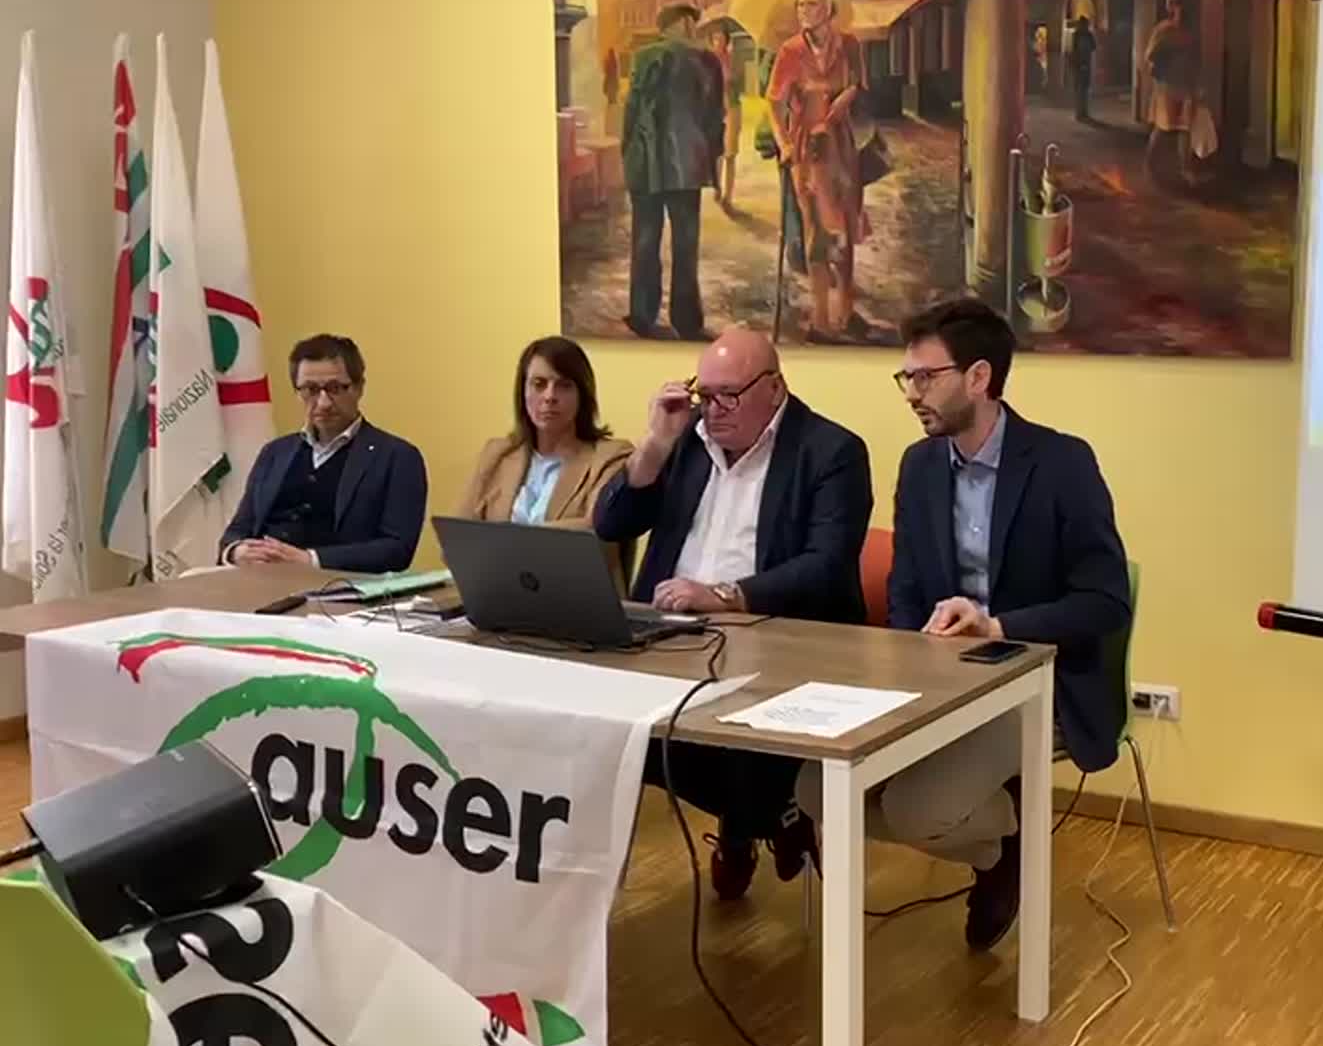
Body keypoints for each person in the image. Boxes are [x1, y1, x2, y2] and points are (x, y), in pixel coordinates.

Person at [797, 299, 1130, 950]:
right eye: (907, 377)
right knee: (817, 786)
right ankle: (997, 841)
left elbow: (1105, 602)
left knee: (917, 809)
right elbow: (905, 590)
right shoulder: (920, 466)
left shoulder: (1063, 464)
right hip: (942, 679)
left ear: (979, 378)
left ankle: (1001, 848)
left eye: (926, 377)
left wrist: (997, 626)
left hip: (1041, 681)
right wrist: (908, 667)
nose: (911, 393)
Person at [594, 328, 873, 899]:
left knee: (739, 747)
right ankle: (761, 818)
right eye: (705, 394)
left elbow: (826, 565)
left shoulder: (831, 451)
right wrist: (654, 445)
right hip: (668, 634)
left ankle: (758, 819)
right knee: (602, 731)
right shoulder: (686, 441)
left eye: (729, 395)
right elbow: (611, 523)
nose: (713, 409)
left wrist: (724, 596)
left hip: (776, 638)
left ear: (774, 387)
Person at [220, 335, 428, 574]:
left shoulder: (397, 457)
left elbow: (397, 550)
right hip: (258, 580)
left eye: (335, 388)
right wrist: (236, 552)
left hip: (337, 586)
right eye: (310, 390)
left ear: (359, 388)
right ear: (297, 392)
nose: (323, 403)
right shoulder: (275, 452)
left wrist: (310, 560)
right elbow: (237, 531)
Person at [455, 337, 633, 575]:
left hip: (574, 590)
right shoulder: (497, 454)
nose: (549, 396)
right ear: (523, 392)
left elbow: (594, 529)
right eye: (539, 384)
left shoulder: (611, 457)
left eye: (564, 385)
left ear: (582, 395)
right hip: (498, 588)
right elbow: (458, 541)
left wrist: (503, 542)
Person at [768, 0, 868, 337]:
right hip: (807, 151)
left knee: (847, 228)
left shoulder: (850, 45)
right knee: (817, 232)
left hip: (843, 146)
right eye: (800, 5)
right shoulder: (790, 51)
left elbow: (857, 84)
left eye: (811, 4)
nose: (803, 11)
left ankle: (847, 309)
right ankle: (821, 316)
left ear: (829, 9)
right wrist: (783, 143)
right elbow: (773, 103)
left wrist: (845, 99)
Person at [623, 3, 725, 340]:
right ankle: (687, 319)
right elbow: (715, 117)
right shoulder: (707, 61)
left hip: (647, 164)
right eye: (692, 23)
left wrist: (628, 154)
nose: (695, 29)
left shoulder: (643, 57)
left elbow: (631, 112)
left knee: (645, 240)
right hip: (688, 164)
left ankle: (642, 314)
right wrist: (713, 159)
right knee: (685, 245)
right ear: (682, 24)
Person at [1142, 0, 1199, 187]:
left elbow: (1194, 60)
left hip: (1186, 85)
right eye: (1173, 4)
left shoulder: (1189, 32)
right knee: (1163, 127)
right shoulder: (1163, 30)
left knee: (1185, 129)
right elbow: (1150, 56)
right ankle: (1150, 165)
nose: (1178, 8)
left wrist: (1196, 84)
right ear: (1169, 7)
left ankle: (1186, 169)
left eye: (1180, 3)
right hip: (1167, 86)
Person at [706, 25, 743, 208]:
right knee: (716, 153)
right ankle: (717, 187)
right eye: (715, 39)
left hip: (732, 109)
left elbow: (740, 84)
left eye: (721, 39)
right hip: (714, 111)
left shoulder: (733, 60)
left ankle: (728, 194)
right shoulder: (708, 62)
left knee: (730, 154)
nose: (718, 43)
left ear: (726, 41)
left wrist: (729, 78)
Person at [1068, 16, 1097, 123]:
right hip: (1080, 64)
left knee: (1082, 89)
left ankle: (1082, 112)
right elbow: (1074, 50)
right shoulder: (1080, 35)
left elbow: (1093, 47)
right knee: (1081, 89)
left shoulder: (1084, 35)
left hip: (1083, 64)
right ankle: (1081, 112)